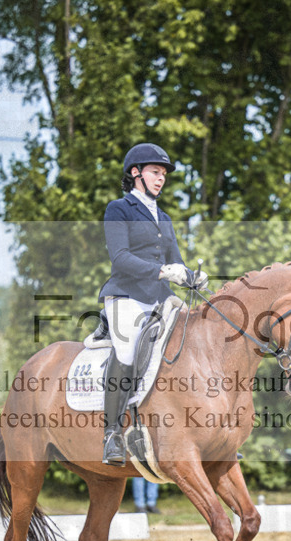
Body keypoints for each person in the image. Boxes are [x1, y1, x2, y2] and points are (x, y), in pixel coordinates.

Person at [97, 143, 208, 466]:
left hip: (160, 299)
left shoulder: (165, 217)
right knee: (128, 350)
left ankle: (206, 434)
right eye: (155, 172)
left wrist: (191, 276)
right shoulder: (119, 209)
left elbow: (176, 261)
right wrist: (162, 271)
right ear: (136, 173)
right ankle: (112, 434)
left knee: (194, 343)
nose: (161, 179)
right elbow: (120, 258)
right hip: (126, 296)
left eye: (163, 175)